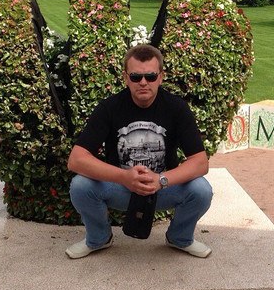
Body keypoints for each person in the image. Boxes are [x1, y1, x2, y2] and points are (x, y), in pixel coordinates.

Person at [66, 44, 213, 258]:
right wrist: (124, 177)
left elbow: (200, 162)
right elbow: (76, 160)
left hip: (162, 187)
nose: (143, 82)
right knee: (80, 186)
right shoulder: (109, 108)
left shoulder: (177, 108)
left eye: (150, 76)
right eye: (136, 77)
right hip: (120, 186)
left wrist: (161, 180)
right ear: (126, 78)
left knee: (201, 190)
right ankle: (98, 239)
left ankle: (180, 238)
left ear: (161, 77)